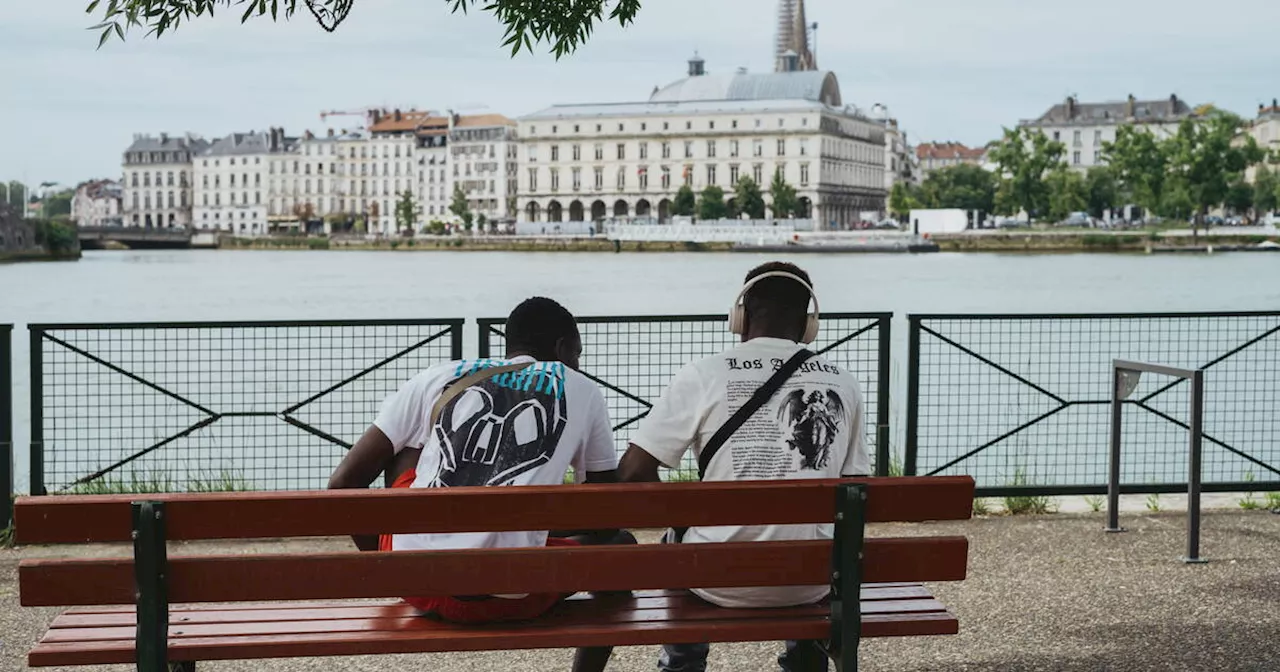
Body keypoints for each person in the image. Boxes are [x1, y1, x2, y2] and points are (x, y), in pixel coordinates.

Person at [329, 296, 631, 672]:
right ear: (562, 348)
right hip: (513, 595)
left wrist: (392, 568)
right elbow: (605, 513)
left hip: (415, 579)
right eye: (578, 354)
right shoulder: (581, 388)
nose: (578, 363)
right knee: (621, 546)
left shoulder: (438, 376)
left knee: (406, 442)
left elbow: (342, 483)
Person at [617, 261, 870, 672]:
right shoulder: (843, 381)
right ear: (809, 324)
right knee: (811, 525)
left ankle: (683, 661)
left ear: (740, 317)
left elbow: (631, 472)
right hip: (811, 580)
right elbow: (856, 484)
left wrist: (686, 515)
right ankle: (806, 660)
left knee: (674, 538)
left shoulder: (703, 374)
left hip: (717, 579)